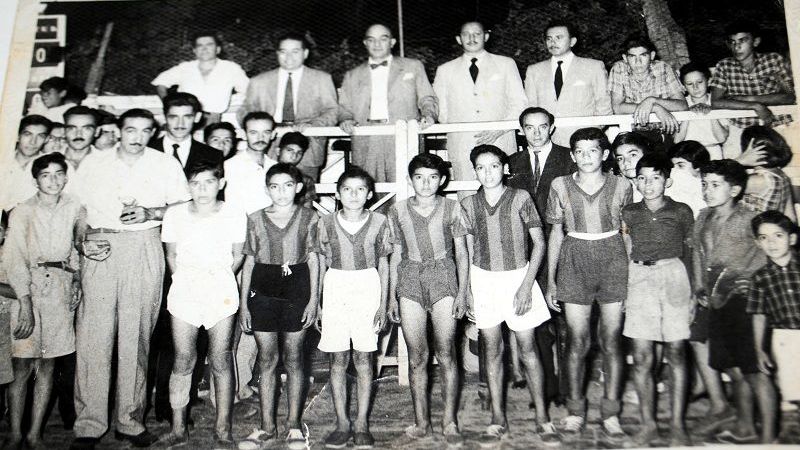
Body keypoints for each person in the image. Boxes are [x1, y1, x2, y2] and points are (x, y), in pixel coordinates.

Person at [69, 108, 191, 450]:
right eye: (130, 130)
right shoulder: (95, 163)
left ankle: (130, 421)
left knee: (136, 337)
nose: (137, 137)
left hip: (143, 244)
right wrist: (81, 242)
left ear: (153, 132)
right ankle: (89, 425)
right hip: (101, 245)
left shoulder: (164, 163)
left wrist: (151, 212)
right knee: (94, 337)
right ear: (119, 131)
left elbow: (184, 207)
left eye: (145, 130)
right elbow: (78, 209)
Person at [461, 145, 556, 445]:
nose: (488, 173)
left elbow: (539, 244)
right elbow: (463, 252)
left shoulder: (521, 198)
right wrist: (467, 291)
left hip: (517, 277)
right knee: (492, 350)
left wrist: (527, 285)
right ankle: (497, 418)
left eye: (493, 166)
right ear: (474, 170)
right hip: (483, 280)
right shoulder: (467, 204)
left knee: (528, 350)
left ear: (504, 167)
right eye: (480, 167)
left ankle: (543, 417)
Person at [544, 128, 632, 441]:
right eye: (579, 151)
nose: (586, 157)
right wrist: (552, 279)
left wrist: (631, 277)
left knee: (611, 341)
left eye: (592, 150)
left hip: (613, 260)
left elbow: (626, 232)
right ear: (572, 155)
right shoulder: (560, 185)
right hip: (574, 259)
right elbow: (555, 232)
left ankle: (611, 413)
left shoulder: (622, 185)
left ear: (605, 154)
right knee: (577, 341)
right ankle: (575, 411)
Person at [159, 160, 245, 448]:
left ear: (220, 183)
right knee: (183, 359)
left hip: (220, 287)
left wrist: (217, 279)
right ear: (188, 186)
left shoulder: (233, 213)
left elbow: (238, 255)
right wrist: (186, 281)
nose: (202, 189)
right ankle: (178, 428)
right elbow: (171, 255)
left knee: (221, 359)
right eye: (195, 183)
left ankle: (223, 428)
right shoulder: (174, 214)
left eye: (208, 182)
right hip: (185, 289)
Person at [384, 154, 468, 444]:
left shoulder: (453, 208)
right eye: (419, 177)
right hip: (409, 278)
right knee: (417, 355)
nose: (426, 183)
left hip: (444, 276)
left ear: (442, 180)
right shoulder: (397, 210)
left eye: (433, 177)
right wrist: (393, 297)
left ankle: (450, 420)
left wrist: (462, 291)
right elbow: (395, 254)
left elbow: (462, 254)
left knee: (446, 352)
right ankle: (421, 422)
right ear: (410, 180)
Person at [2, 153, 83, 449]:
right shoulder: (22, 211)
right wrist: (24, 302)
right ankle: (14, 433)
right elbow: (13, 258)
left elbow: (78, 248)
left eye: (59, 174)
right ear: (35, 179)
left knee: (48, 365)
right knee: (22, 365)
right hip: (30, 289)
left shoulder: (75, 207)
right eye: (46, 175)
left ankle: (35, 434)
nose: (54, 180)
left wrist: (76, 280)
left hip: (59, 291)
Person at [237, 163, 320, 450]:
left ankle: (295, 425)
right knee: (267, 359)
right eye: (274, 186)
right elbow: (248, 261)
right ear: (267, 189)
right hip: (263, 288)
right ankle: (265, 426)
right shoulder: (255, 219)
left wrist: (313, 300)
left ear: (298, 188)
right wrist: (244, 304)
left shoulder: (310, 218)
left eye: (288, 185)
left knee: (295, 358)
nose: (281, 192)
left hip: (296, 286)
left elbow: (314, 260)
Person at [692, 159, 770, 444]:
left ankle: (763, 431)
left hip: (742, 302)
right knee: (732, 368)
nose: (708, 191)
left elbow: (765, 256)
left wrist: (748, 280)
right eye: (704, 185)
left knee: (750, 368)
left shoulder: (749, 219)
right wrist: (699, 287)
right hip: (715, 301)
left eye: (715, 185)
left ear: (735, 189)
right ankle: (744, 424)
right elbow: (699, 256)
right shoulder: (702, 217)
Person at [620, 153, 695, 446]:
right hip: (639, 278)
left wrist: (693, 292)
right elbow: (625, 250)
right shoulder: (629, 212)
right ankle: (648, 424)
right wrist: (625, 289)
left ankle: (677, 425)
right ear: (635, 181)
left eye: (655, 178)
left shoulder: (682, 211)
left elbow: (692, 253)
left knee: (677, 352)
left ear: (667, 180)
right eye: (642, 178)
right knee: (641, 357)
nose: (648, 184)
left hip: (674, 275)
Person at [315, 166, 391, 449]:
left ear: (370, 194)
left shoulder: (380, 221)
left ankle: (361, 423)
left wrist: (384, 304)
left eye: (360, 189)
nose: (354, 194)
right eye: (347, 189)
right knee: (337, 360)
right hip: (336, 286)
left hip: (367, 286)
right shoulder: (324, 223)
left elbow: (384, 264)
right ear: (337, 194)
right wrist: (319, 302)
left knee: (363, 358)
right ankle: (342, 422)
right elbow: (320, 263)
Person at [508, 106, 576, 404]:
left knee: (564, 319)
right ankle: (545, 387)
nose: (536, 133)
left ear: (552, 127)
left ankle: (568, 388)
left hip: (562, 243)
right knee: (534, 321)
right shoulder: (512, 162)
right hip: (526, 248)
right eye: (529, 127)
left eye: (542, 126)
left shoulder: (567, 157)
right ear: (521, 129)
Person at [338, 23, 438, 182]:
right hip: (366, 139)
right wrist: (345, 119)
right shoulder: (352, 75)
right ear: (365, 43)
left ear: (392, 42)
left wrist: (429, 114)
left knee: (405, 190)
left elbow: (427, 98)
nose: (377, 44)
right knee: (369, 192)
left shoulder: (413, 67)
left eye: (382, 39)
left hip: (402, 136)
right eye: (371, 40)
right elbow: (343, 107)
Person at [432, 21, 526, 186]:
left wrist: (497, 130)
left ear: (486, 36)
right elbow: (441, 110)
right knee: (467, 194)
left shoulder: (506, 64)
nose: (471, 38)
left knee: (503, 194)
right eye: (466, 34)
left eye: (477, 33)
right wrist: (464, 129)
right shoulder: (445, 70)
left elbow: (519, 103)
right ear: (458, 39)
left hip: (500, 141)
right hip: (462, 145)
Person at [239, 32, 338, 181]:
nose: (289, 57)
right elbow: (244, 111)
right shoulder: (258, 81)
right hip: (268, 146)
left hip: (307, 146)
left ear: (305, 53)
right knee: (265, 195)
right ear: (277, 53)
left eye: (295, 51)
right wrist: (259, 128)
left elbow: (333, 110)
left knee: (304, 196)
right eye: (283, 52)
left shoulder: (322, 79)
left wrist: (313, 125)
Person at [708, 20, 795, 159]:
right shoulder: (724, 66)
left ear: (755, 42)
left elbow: (790, 96)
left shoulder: (773, 60)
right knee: (734, 168)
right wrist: (755, 106)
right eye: (732, 42)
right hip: (741, 127)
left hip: (777, 124)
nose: (737, 46)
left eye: (742, 40)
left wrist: (748, 98)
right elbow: (716, 102)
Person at [524, 20, 613, 147]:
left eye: (558, 37)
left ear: (572, 41)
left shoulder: (593, 66)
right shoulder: (534, 70)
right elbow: (530, 107)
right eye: (549, 38)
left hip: (584, 142)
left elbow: (604, 106)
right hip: (548, 142)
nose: (553, 42)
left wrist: (591, 135)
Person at [749, 211, 800, 430]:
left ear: (792, 238)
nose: (771, 242)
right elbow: (758, 314)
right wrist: (759, 349)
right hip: (784, 338)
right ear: (757, 243)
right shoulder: (759, 278)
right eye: (764, 237)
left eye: (778, 235)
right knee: (793, 389)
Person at [608, 33, 686, 149]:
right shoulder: (619, 68)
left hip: (662, 132)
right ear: (625, 58)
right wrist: (655, 108)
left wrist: (652, 100)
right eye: (632, 56)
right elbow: (617, 108)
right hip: (631, 133)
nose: (638, 62)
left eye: (643, 55)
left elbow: (682, 105)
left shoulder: (664, 68)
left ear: (652, 55)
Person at [152, 31, 249, 123]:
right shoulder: (185, 68)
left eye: (209, 45)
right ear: (194, 50)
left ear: (218, 49)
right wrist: (169, 105)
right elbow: (160, 83)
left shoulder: (231, 68)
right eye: (200, 45)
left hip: (213, 118)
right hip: (186, 117)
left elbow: (249, 90)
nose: (204, 49)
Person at [150, 92, 223, 170]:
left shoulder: (212, 155)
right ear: (165, 117)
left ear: (197, 117)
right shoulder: (147, 151)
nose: (180, 123)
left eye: (187, 117)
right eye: (173, 117)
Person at [224, 112, 278, 216]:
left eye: (266, 132)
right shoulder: (230, 166)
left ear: (273, 135)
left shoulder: (275, 166)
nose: (260, 138)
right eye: (254, 132)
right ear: (244, 134)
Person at [739, 125, 796, 221]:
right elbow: (791, 217)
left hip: (750, 233)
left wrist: (740, 161)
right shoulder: (782, 176)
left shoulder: (757, 180)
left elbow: (719, 179)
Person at [674, 62, 729, 159]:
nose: (695, 87)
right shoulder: (681, 104)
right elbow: (677, 140)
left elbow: (721, 138)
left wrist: (711, 112)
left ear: (709, 81)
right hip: (688, 154)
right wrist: (688, 113)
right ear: (683, 87)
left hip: (713, 152)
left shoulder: (717, 101)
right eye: (690, 84)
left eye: (699, 82)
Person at [0, 115, 52, 214]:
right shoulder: (3, 161)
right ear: (17, 136)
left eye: (40, 136)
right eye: (27, 134)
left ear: (47, 139)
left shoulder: (50, 166)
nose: (33, 142)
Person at [668, 140, 710, 217]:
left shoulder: (707, 188)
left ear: (697, 166)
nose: (675, 170)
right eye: (672, 166)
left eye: (680, 166)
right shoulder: (672, 183)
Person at [612, 131, 656, 202]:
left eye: (633, 155)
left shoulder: (663, 182)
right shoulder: (619, 188)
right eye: (620, 158)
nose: (626, 162)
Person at [277, 132, 318, 208]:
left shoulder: (306, 180)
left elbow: (307, 211)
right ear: (278, 151)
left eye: (299, 152)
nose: (294, 156)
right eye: (289, 150)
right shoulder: (263, 172)